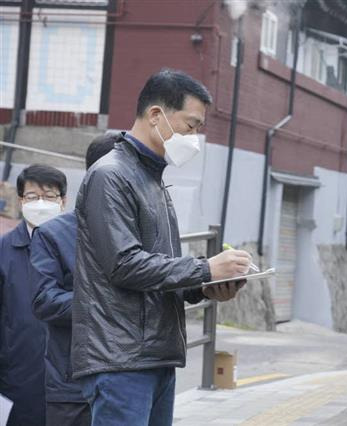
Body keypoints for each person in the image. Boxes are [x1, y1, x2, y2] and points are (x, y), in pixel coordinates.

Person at [71, 69, 252, 426]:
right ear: (156, 115)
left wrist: (204, 287)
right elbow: (124, 264)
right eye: (191, 124)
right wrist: (205, 269)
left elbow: (160, 268)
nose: (194, 137)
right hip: (121, 358)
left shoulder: (152, 179)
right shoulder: (111, 175)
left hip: (153, 355)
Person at [29, 133, 118, 426]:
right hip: (73, 384)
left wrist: (200, 282)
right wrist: (104, 304)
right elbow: (44, 301)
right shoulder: (53, 235)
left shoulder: (140, 227)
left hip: (131, 379)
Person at [0, 164, 68, 426]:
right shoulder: (5, 251)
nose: (40, 203)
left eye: (49, 196)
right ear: (20, 201)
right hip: (18, 376)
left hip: (69, 381)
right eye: (32, 196)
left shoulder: (80, 248)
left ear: (63, 201)